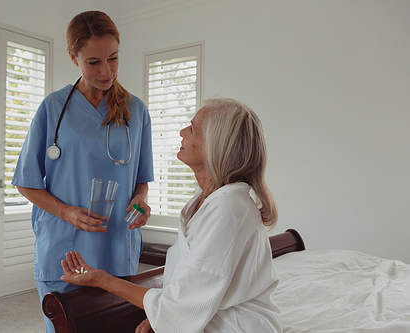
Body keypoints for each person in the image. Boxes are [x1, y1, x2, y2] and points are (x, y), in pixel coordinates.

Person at [60, 98, 282, 333]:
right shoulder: (205, 200)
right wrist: (163, 316)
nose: (182, 131)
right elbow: (190, 287)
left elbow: (183, 304)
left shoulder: (230, 208)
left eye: (193, 128)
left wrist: (101, 280)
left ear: (215, 145)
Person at [11, 10, 154, 333]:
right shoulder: (52, 109)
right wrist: (68, 213)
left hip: (117, 246)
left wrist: (140, 202)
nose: (107, 71)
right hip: (66, 250)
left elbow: (141, 180)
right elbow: (26, 182)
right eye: (93, 62)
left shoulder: (136, 111)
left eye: (113, 58)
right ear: (73, 57)